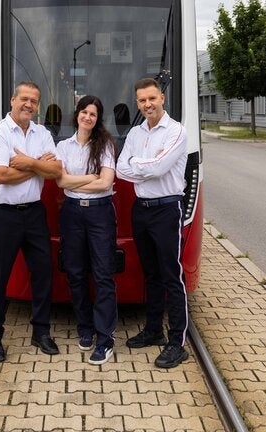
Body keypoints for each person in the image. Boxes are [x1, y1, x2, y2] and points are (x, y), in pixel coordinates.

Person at [0, 81, 63, 362]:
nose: (29, 104)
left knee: (43, 272)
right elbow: (1, 175)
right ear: (12, 100)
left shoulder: (42, 133)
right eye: (24, 99)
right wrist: (38, 164)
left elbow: (55, 171)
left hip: (34, 213)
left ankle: (41, 332)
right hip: (2, 215)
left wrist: (27, 162)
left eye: (34, 101)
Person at [115, 77, 190, 369]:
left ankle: (177, 343)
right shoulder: (135, 132)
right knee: (151, 275)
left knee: (172, 275)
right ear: (138, 103)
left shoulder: (176, 132)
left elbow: (160, 168)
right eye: (142, 101)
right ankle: (154, 330)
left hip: (167, 209)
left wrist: (141, 164)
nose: (147, 104)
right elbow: (122, 169)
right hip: (141, 209)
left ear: (162, 99)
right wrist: (146, 165)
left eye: (152, 99)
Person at [56, 95, 118, 365]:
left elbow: (106, 184)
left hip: (100, 213)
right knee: (75, 272)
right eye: (84, 112)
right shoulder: (63, 146)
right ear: (77, 115)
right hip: (71, 213)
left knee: (103, 274)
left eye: (93, 114)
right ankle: (85, 328)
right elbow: (60, 182)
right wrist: (90, 178)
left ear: (97, 119)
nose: (88, 117)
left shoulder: (104, 145)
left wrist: (75, 182)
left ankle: (105, 339)